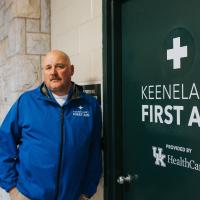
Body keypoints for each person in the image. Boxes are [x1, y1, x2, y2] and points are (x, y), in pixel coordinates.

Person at [0, 50, 102, 200]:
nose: (53, 72)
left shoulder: (89, 105)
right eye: (48, 68)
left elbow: (94, 152)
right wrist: (13, 190)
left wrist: (87, 192)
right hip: (29, 195)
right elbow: (3, 143)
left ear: (71, 70)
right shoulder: (27, 102)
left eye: (60, 66)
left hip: (72, 196)